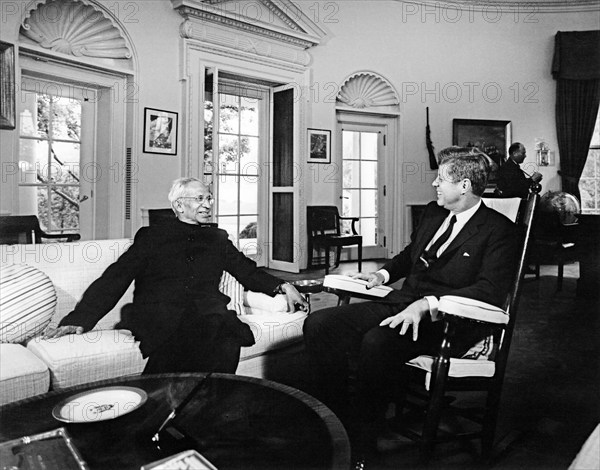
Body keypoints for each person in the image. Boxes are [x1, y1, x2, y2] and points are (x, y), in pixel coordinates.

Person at [303, 147, 520, 457]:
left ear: (464, 186)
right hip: (401, 301)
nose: (434, 185)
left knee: (377, 341)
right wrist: (381, 274)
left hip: (448, 320)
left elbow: (490, 290)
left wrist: (429, 303)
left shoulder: (499, 230)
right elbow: (409, 255)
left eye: (441, 179)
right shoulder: (434, 213)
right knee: (321, 324)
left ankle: (363, 441)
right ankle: (334, 420)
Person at [44, 177, 308, 374]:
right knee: (205, 333)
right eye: (200, 199)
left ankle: (204, 409)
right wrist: (80, 319)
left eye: (209, 199)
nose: (207, 204)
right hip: (160, 313)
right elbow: (116, 277)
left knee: (224, 332)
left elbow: (246, 271)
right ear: (179, 206)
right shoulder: (152, 236)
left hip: (208, 313)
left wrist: (283, 286)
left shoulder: (217, 238)